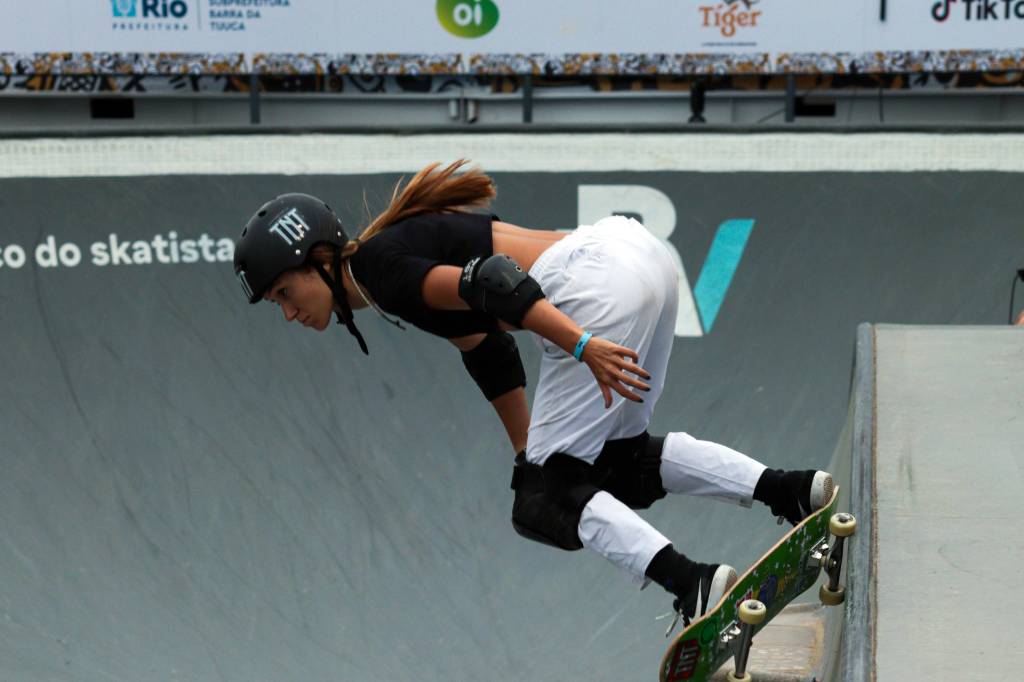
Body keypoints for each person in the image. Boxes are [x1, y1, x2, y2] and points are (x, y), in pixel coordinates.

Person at [233, 160, 833, 628]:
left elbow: (494, 282)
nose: (287, 313)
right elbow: (489, 354)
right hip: (637, 257)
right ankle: (790, 488)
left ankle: (694, 584)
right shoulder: (390, 265)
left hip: (590, 289)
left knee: (545, 504)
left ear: (318, 261)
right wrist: (528, 455)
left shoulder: (379, 270)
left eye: (284, 293)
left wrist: (581, 345)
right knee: (613, 464)